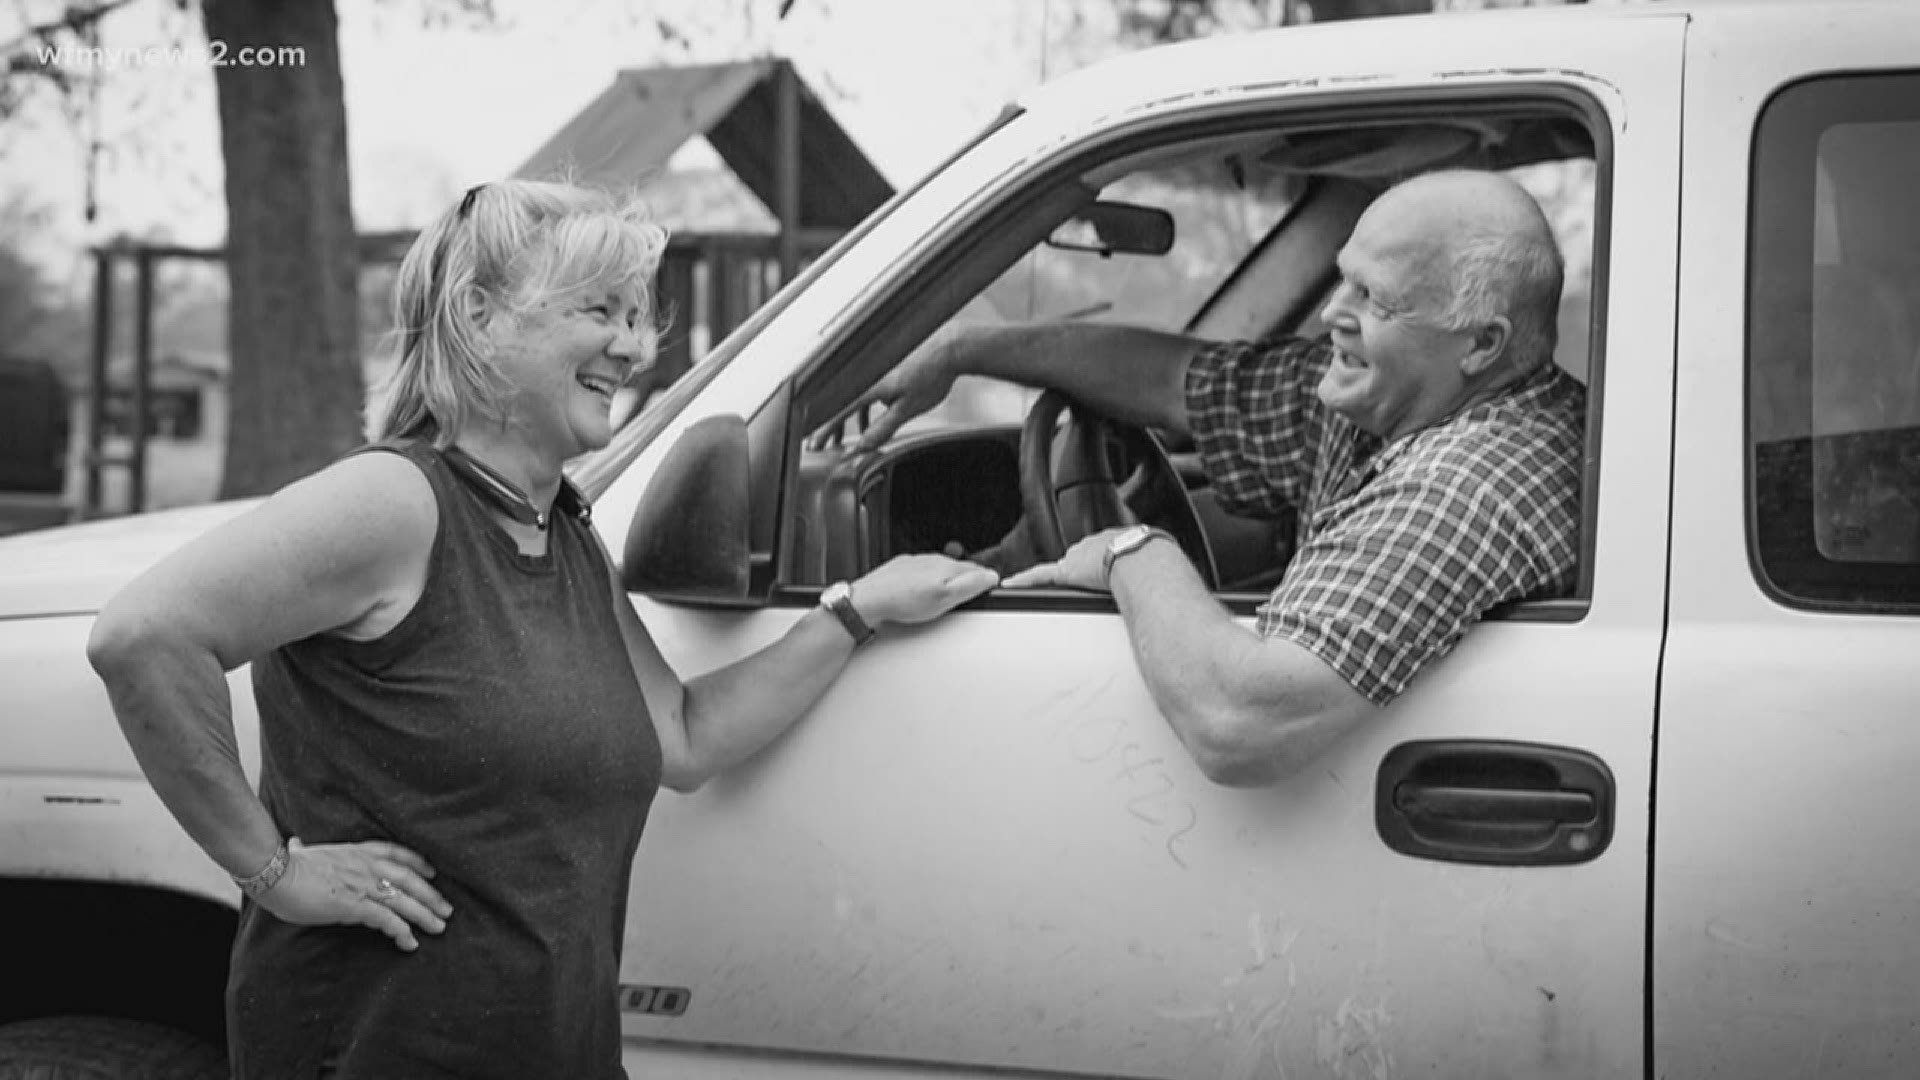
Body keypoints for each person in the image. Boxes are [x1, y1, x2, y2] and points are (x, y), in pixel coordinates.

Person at [84, 179, 999, 1079]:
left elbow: (684, 736)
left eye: (639, 318)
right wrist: (275, 874)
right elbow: (144, 638)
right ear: (481, 315)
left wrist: (859, 608)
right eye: (601, 311)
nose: (634, 347)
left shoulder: (557, 527)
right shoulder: (397, 501)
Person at [854, 168, 1583, 788]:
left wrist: (1129, 551)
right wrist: (962, 349)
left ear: (1482, 344)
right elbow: (1178, 382)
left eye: (1375, 299)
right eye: (1343, 279)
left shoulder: (1464, 485)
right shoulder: (1399, 393)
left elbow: (1238, 720)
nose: (1333, 312)